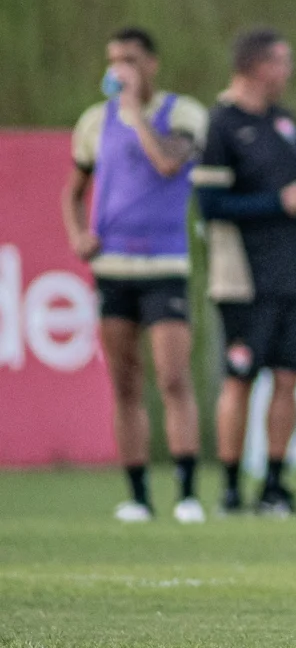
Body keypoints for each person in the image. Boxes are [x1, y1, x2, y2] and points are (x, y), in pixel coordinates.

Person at [63, 27, 208, 523]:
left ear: (151, 63)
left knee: (172, 377)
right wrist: (79, 234)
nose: (118, 67)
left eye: (128, 58)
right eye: (112, 59)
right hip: (114, 266)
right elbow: (73, 189)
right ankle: (138, 495)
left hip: (164, 264)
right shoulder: (93, 122)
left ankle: (187, 492)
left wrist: (135, 115)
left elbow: (168, 162)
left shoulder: (181, 113)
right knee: (125, 382)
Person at [192, 28, 296, 516]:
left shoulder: (285, 122)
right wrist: (279, 201)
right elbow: (209, 205)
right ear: (256, 67)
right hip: (242, 276)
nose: (288, 72)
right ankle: (231, 486)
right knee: (241, 378)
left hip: (291, 269)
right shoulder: (220, 125)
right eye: (282, 62)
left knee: (288, 377)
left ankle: (274, 482)